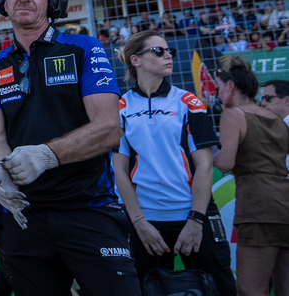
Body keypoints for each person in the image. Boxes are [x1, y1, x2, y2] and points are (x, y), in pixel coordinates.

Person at [0, 0, 136, 296]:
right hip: (24, 215)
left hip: (88, 209)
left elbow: (109, 128)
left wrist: (47, 155)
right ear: (3, 1)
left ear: (52, 1)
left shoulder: (84, 48)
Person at [113, 32, 235, 295]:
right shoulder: (120, 107)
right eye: (159, 51)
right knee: (143, 290)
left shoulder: (188, 102)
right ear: (136, 60)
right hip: (146, 220)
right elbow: (119, 171)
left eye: (170, 51)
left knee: (219, 288)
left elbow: (205, 166)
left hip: (195, 214)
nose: (168, 55)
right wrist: (139, 222)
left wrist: (196, 220)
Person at [213, 57, 289, 296]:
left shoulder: (233, 115)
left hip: (257, 206)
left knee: (250, 289)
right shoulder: (276, 119)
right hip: (285, 202)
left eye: (218, 87)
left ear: (230, 86)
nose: (216, 94)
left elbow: (225, 163)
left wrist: (204, 152)